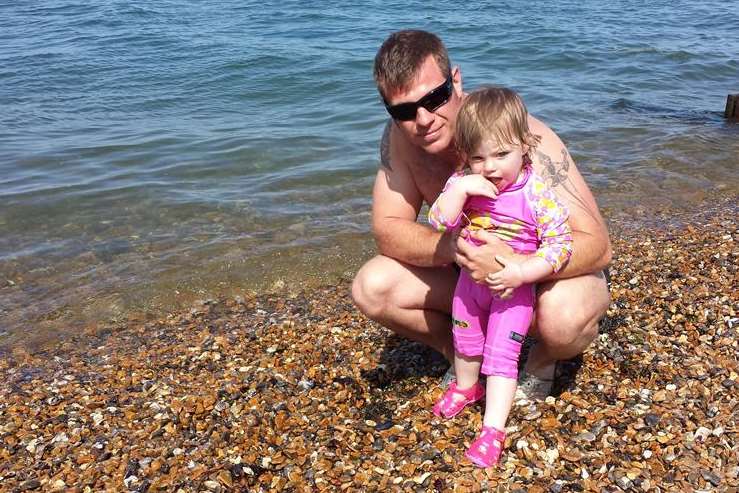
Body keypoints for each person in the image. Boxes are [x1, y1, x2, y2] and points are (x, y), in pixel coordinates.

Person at [352, 30, 611, 401]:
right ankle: (460, 354)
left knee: (563, 318)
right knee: (372, 286)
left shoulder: (517, 137)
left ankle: (541, 362)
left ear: (456, 81)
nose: (423, 119)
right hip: (471, 279)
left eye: (435, 97)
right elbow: (388, 230)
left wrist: (515, 265)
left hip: (543, 273)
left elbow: (598, 247)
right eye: (404, 111)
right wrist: (457, 248)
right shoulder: (400, 140)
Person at [428, 86, 573, 467]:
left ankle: (493, 429)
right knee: (465, 339)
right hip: (468, 287)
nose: (489, 167)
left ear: (525, 145)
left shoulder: (536, 192)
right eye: (477, 157)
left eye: (501, 154)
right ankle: (465, 388)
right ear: (465, 155)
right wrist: (460, 190)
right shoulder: (464, 181)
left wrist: (524, 271)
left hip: (512, 291)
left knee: (501, 357)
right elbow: (438, 221)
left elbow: (560, 245)